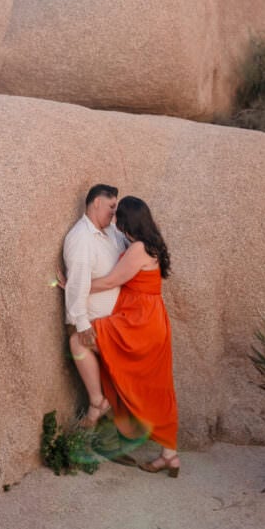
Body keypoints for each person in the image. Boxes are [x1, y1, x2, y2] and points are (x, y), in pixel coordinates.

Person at [74, 196, 180, 476]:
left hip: (138, 321)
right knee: (155, 386)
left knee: (77, 341)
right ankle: (170, 455)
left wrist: (74, 286)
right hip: (150, 320)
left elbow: (111, 281)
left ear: (126, 221)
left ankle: (98, 402)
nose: (114, 221)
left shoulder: (138, 248)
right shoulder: (150, 244)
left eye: (117, 216)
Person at [63, 184, 128, 428]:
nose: (114, 213)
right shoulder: (81, 239)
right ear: (97, 203)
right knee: (77, 342)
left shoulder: (112, 233)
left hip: (120, 319)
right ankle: (97, 402)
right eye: (111, 207)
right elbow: (79, 283)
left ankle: (99, 405)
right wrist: (81, 322)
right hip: (99, 322)